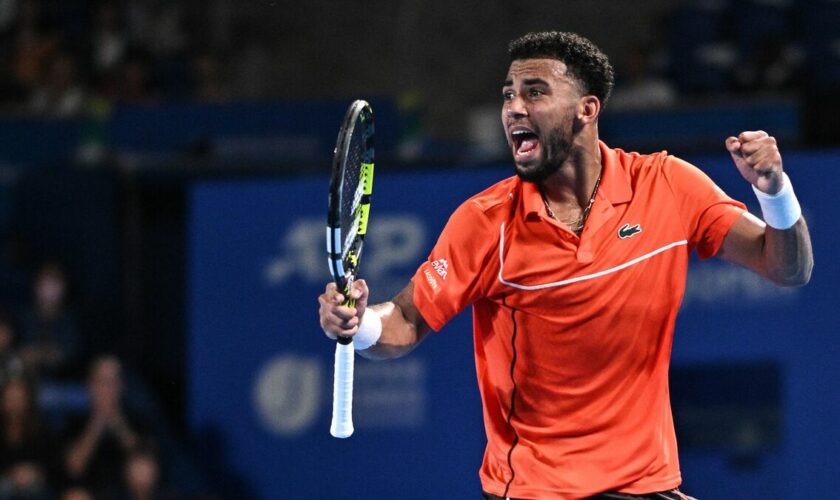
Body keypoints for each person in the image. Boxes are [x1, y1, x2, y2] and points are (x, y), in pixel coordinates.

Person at [317, 31, 813, 499]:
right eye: (508, 94)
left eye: (534, 92)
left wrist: (775, 192)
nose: (513, 108)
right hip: (538, 490)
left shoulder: (668, 185)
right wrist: (360, 324)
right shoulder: (486, 222)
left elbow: (786, 267)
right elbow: (405, 320)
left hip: (646, 484)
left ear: (586, 109)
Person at [63, 355, 148, 499]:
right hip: (90, 493)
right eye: (102, 381)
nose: (108, 388)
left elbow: (145, 469)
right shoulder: (74, 422)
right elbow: (73, 468)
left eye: (113, 381)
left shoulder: (138, 421)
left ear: (122, 386)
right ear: (90, 385)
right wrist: (96, 426)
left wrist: (119, 425)